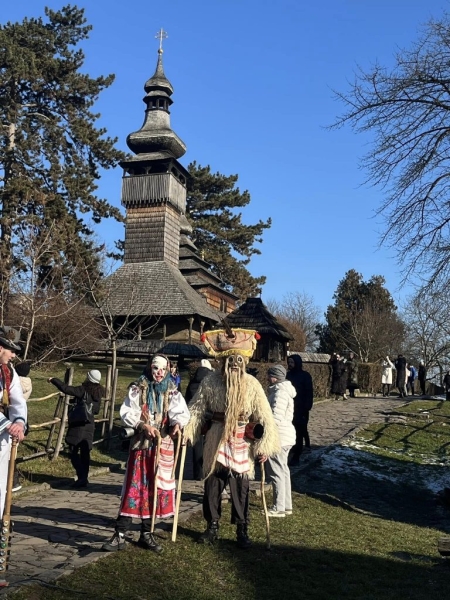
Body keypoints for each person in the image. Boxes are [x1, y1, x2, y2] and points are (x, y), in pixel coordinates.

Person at [184, 328, 280, 549]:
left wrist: (263, 446)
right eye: (230, 359)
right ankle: (212, 526)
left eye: (238, 359)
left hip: (241, 444)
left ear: (243, 361)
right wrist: (187, 431)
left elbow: (265, 416)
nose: (234, 364)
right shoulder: (210, 382)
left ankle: (241, 530)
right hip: (217, 441)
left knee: (241, 490)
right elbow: (197, 408)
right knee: (212, 487)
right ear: (223, 361)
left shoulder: (252, 385)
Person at [102, 355, 190, 553]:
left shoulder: (172, 390)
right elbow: (127, 412)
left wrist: (176, 424)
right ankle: (121, 533)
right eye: (155, 368)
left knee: (155, 489)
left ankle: (146, 533)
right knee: (135, 487)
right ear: (149, 368)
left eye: (163, 369)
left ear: (168, 370)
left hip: (162, 447)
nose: (159, 373)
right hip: (142, 446)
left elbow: (180, 412)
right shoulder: (138, 387)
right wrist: (142, 425)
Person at [48, 369, 104, 488]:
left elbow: (66, 389)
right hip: (90, 424)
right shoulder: (98, 393)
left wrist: (54, 380)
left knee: (73, 451)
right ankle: (84, 477)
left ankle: (81, 477)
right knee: (85, 453)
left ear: (89, 378)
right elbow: (96, 410)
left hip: (79, 423)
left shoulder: (83, 389)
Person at [0, 327, 27, 518]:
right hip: (3, 427)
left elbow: (18, 400)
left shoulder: (8, 371)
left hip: (3, 437)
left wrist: (18, 422)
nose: (14, 355)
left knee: (1, 485)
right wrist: (6, 424)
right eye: (12, 350)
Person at [265, 364, 296, 517]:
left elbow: (275, 417)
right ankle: (286, 505)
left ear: (275, 377)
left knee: (276, 471)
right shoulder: (282, 390)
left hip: (279, 436)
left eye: (269, 375)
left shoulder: (280, 392)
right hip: (286, 435)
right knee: (283, 471)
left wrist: (265, 430)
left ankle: (279, 507)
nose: (267, 378)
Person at [185, 358, 214, 480]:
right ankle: (208, 471)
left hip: (195, 419)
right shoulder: (210, 383)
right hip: (208, 419)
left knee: (197, 446)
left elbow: (187, 400)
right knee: (209, 446)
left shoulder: (192, 382)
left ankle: (198, 474)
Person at [286, 354, 313, 466]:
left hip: (301, 408)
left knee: (299, 432)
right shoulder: (288, 375)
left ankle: (297, 455)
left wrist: (307, 407)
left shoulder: (305, 376)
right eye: (289, 362)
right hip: (290, 407)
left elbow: (309, 392)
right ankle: (292, 451)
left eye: (292, 362)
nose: (290, 365)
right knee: (290, 431)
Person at [11, 362, 32, 492]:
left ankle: (13, 480)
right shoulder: (28, 383)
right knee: (14, 450)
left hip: (12, 417)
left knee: (9, 453)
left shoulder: (15, 382)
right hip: (21, 417)